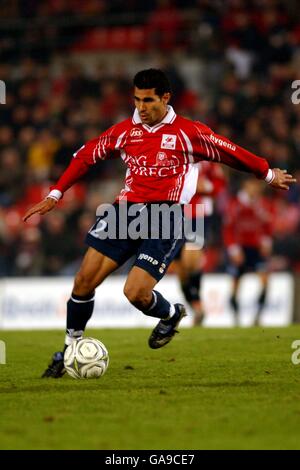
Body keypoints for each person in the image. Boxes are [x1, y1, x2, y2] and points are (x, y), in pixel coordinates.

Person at [23, 69, 296, 378]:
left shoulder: (188, 132)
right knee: (83, 281)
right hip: (123, 214)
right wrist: (56, 194)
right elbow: (86, 156)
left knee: (135, 293)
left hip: (166, 218)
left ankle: (170, 313)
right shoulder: (125, 131)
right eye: (137, 99)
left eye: (148, 100)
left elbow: (228, 151)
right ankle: (70, 348)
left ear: (165, 98)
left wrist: (266, 173)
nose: (142, 106)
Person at [173, 161, 227, 326]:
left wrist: (207, 187)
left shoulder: (207, 161)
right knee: (181, 270)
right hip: (173, 212)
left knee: (190, 260)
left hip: (196, 212)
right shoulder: (173, 156)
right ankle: (196, 307)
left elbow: (219, 183)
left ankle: (198, 307)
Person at [223, 178, 274, 326]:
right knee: (236, 284)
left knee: (265, 282)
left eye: (257, 186)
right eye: (252, 186)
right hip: (240, 249)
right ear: (246, 186)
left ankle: (258, 317)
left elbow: (268, 225)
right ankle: (236, 318)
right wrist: (233, 249)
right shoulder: (235, 204)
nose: (255, 189)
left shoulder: (263, 204)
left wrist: (267, 241)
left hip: (257, 249)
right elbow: (228, 229)